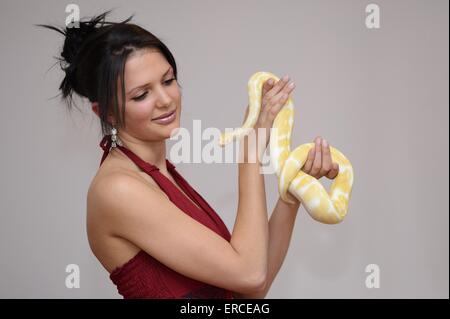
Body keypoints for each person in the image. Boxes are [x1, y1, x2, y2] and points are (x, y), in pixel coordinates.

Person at [39, 11, 340, 299]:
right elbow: (250, 273)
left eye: (168, 81)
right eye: (141, 95)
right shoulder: (118, 189)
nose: (165, 100)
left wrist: (291, 193)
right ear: (106, 113)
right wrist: (251, 149)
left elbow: (248, 291)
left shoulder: (161, 173)